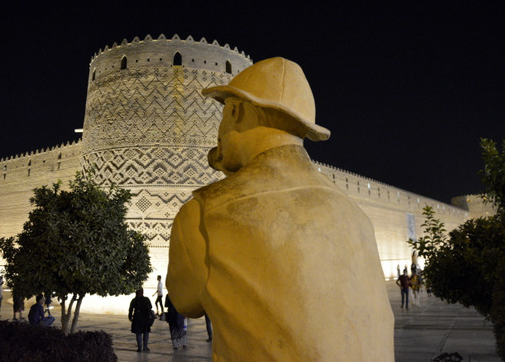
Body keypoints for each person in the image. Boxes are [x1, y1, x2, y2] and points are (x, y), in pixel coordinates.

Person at [166, 57, 394, 361]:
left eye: (224, 114)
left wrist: (231, 180)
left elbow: (185, 301)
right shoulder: (356, 215)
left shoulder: (205, 215)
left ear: (236, 110)